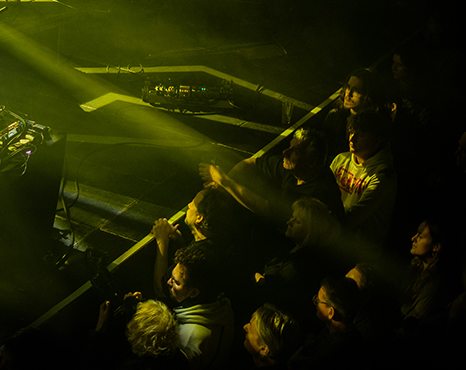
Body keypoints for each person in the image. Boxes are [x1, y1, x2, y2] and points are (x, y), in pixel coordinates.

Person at [200, 128, 343, 225]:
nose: (285, 152)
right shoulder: (294, 166)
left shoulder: (316, 194)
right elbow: (252, 163)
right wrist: (219, 185)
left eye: (295, 152)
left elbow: (266, 209)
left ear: (312, 161)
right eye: (289, 146)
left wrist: (225, 181)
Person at [329, 110, 397, 257]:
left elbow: (353, 217)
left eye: (361, 134)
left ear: (377, 140)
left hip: (360, 252)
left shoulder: (383, 176)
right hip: (334, 240)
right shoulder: (341, 159)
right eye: (351, 132)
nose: (352, 138)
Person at [166, 242, 235, 369]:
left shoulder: (187, 341)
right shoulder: (223, 309)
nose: (168, 282)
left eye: (176, 282)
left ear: (193, 292)